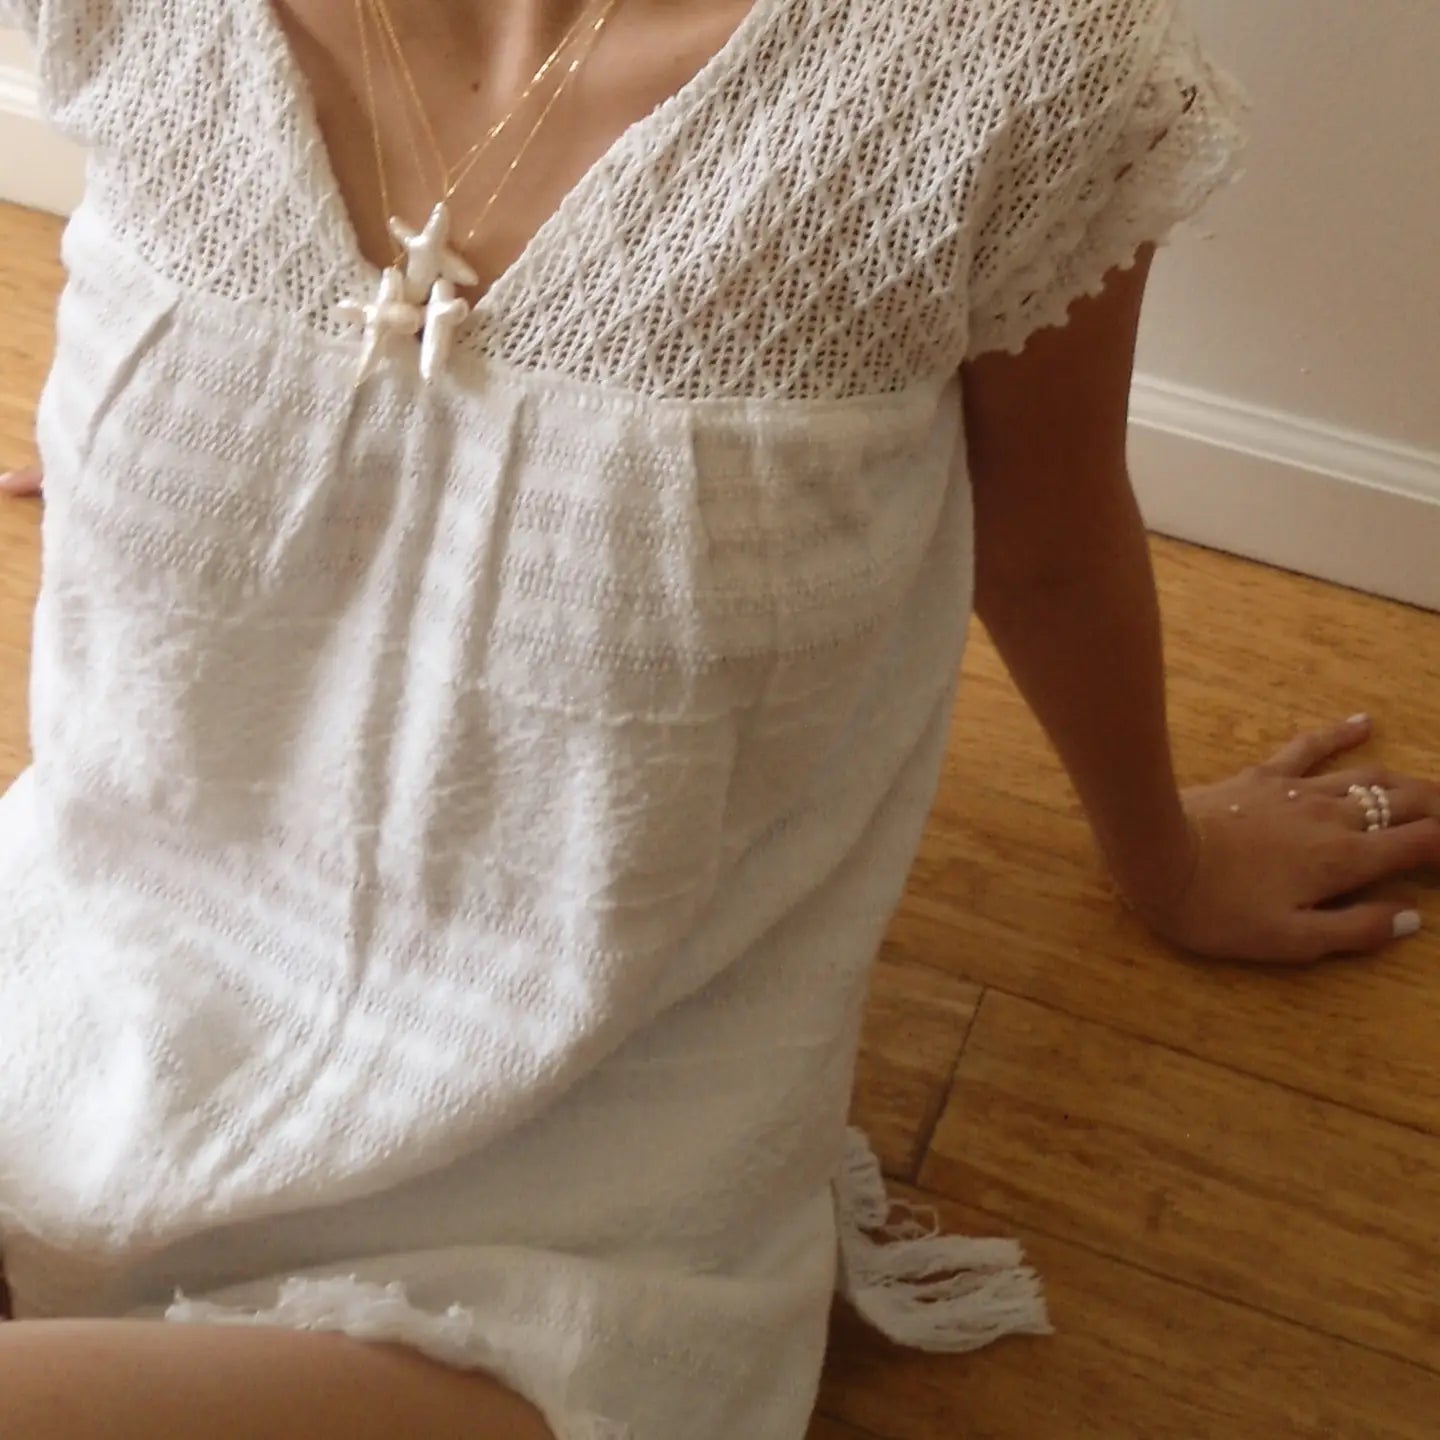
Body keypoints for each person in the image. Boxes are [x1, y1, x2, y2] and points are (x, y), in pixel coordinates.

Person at [0, 1, 1435, 1437]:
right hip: (67, 1026)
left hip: (549, 1218)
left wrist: (1168, 859)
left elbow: (1047, 536)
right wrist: (228, 453)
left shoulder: (1011, 67)